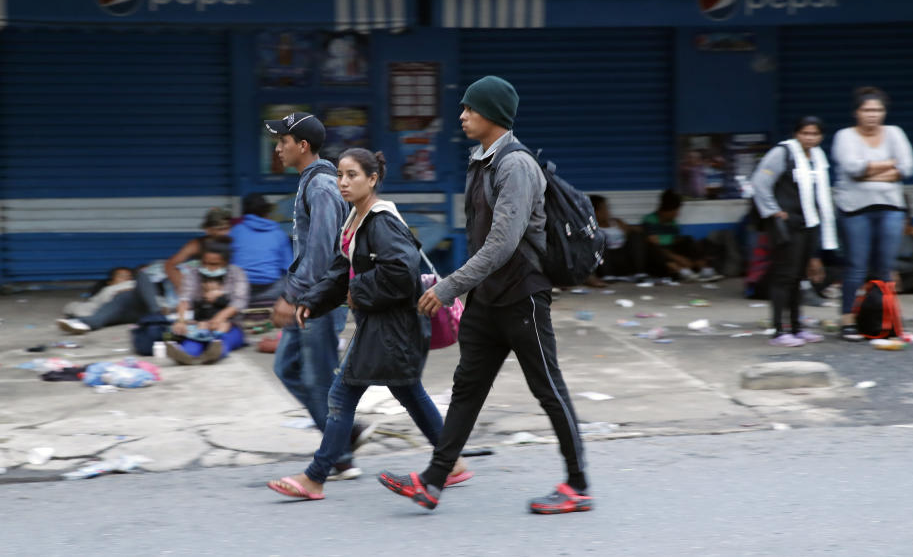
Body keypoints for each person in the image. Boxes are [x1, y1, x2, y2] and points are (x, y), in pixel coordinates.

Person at [377, 75, 592, 515]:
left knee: (548, 389)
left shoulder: (516, 166)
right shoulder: (482, 160)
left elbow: (503, 242)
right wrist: (466, 291)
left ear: (492, 114)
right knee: (466, 389)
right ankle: (434, 481)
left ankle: (578, 484)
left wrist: (449, 286)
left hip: (522, 297)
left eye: (469, 109)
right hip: (488, 300)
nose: (461, 116)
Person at [266, 149, 471, 501]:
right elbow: (338, 270)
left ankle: (315, 477)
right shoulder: (356, 220)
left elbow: (400, 273)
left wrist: (356, 291)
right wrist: (312, 301)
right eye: (340, 175)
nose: (343, 183)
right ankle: (452, 463)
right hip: (387, 325)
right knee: (409, 391)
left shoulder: (381, 221)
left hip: (393, 328)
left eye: (352, 175)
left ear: (372, 179)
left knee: (341, 395)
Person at [264, 111, 369, 480]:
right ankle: (346, 433)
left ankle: (340, 455)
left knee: (318, 378)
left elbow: (322, 251)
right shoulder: (312, 182)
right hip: (309, 296)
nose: (278, 148)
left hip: (319, 300)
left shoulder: (321, 186)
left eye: (283, 142)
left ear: (302, 146)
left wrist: (291, 296)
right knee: (287, 367)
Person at [832, 86, 913, 341]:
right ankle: (847, 320)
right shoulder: (844, 136)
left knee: (885, 267)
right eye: (867, 110)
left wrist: (869, 171)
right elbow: (852, 168)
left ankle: (884, 319)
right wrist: (891, 165)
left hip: (891, 208)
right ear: (857, 112)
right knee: (856, 267)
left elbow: (909, 167)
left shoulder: (895, 133)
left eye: (878, 110)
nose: (873, 115)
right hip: (854, 209)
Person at [751, 116, 837, 347]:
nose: (810, 138)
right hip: (787, 226)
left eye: (815, 134)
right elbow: (760, 183)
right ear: (796, 133)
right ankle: (780, 331)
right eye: (805, 133)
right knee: (784, 277)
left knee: (800, 279)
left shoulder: (818, 158)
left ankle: (797, 329)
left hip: (808, 223)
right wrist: (774, 211)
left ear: (821, 137)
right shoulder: (783, 153)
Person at [165, 237, 248, 365]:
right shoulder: (193, 273)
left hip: (229, 326)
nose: (209, 268)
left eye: (214, 264)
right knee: (193, 341)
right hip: (200, 324)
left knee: (221, 341)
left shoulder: (237, 273)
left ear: (225, 263)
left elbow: (239, 302)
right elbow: (184, 298)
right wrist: (181, 320)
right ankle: (184, 354)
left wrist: (219, 319)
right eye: (205, 263)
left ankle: (214, 353)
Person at [642, 189, 721, 282]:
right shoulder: (650, 220)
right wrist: (678, 258)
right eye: (675, 211)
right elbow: (654, 242)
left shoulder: (673, 223)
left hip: (673, 254)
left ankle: (704, 269)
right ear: (667, 210)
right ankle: (681, 271)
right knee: (654, 249)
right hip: (660, 260)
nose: (677, 215)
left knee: (688, 240)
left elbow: (674, 241)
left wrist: (684, 258)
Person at [57, 267, 163, 334]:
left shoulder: (138, 284)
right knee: (100, 317)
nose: (126, 279)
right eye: (121, 276)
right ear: (110, 282)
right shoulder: (108, 290)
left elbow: (153, 296)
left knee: (142, 275)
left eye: (129, 277)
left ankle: (158, 317)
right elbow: (74, 307)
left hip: (144, 305)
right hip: (120, 308)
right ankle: (82, 324)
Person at [229, 193, 293, 304]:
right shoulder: (279, 234)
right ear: (267, 212)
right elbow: (288, 268)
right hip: (271, 291)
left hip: (240, 291)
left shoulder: (235, 232)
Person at [164, 208, 232, 294]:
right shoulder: (197, 245)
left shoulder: (233, 243)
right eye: (220, 229)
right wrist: (182, 287)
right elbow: (169, 265)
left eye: (227, 228)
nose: (224, 233)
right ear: (208, 230)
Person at [587, 195, 648, 285]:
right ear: (595, 212)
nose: (607, 212)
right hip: (607, 260)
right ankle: (608, 275)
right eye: (604, 209)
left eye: (607, 208)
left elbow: (633, 231)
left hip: (624, 257)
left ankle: (639, 273)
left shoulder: (616, 222)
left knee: (636, 236)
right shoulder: (592, 228)